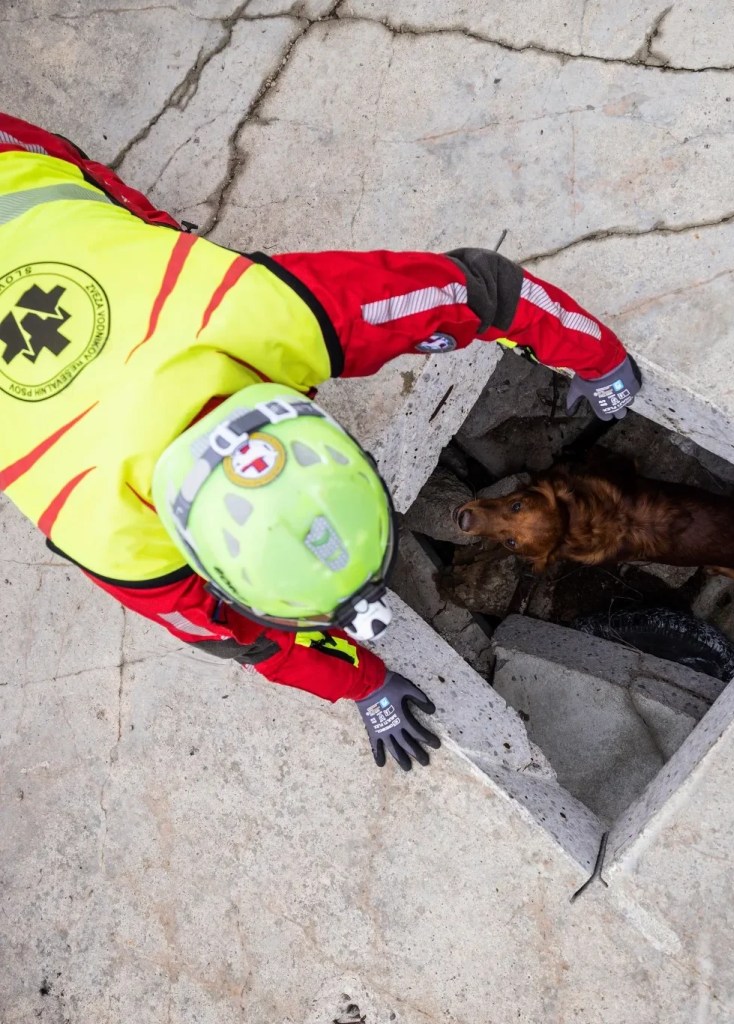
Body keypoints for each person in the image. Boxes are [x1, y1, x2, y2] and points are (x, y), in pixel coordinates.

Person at [0, 111, 641, 771]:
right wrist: (361, 683)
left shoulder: (253, 317)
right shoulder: (106, 528)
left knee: (95, 209)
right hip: (17, 184)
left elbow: (482, 292)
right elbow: (242, 640)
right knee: (106, 213)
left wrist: (596, 355)